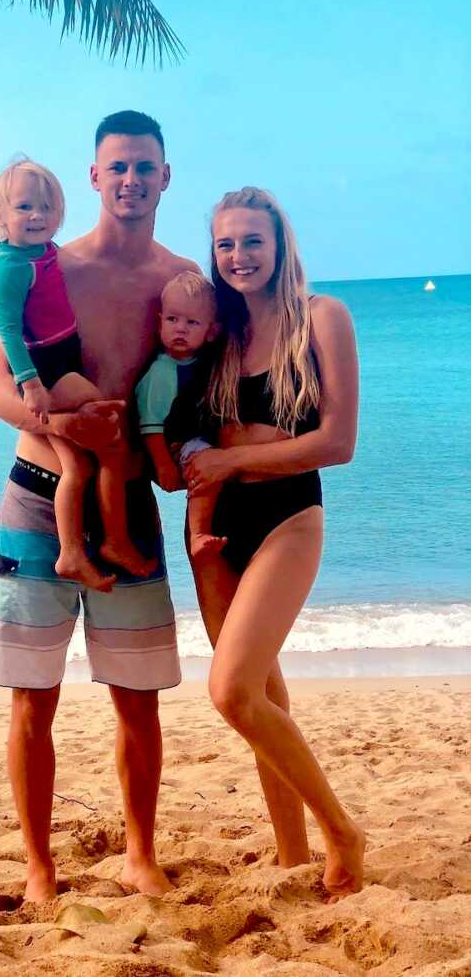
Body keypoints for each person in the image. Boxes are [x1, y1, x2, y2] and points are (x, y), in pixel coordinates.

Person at [0, 111, 198, 902]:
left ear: (165, 177)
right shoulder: (48, 267)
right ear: (95, 177)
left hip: (128, 500)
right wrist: (59, 419)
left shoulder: (179, 282)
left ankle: (141, 852)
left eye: (146, 166)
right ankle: (39, 866)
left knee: (138, 700)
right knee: (33, 697)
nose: (132, 179)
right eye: (118, 167)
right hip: (36, 496)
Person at [183, 186, 365, 897]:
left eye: (252, 241)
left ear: (280, 244)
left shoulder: (322, 318)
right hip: (216, 529)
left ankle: (342, 830)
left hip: (290, 518)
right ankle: (291, 853)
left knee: (230, 691)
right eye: (225, 243)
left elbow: (338, 442)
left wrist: (231, 460)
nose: (238, 256)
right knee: (260, 693)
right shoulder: (215, 332)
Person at [0, 157, 157, 592]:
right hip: (50, 370)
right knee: (99, 451)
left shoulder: (48, 253)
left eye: (48, 208)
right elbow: (8, 331)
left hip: (61, 362)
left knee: (82, 463)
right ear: (0, 215)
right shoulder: (10, 267)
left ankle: (84, 550)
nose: (38, 217)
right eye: (25, 208)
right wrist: (31, 387)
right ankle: (97, 546)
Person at [135, 270, 225, 559]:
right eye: (172, 319)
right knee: (205, 464)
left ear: (211, 331)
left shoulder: (206, 361)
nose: (181, 329)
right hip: (172, 444)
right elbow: (150, 425)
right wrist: (164, 466)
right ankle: (198, 532)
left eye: (192, 322)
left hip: (195, 436)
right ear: (159, 322)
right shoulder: (162, 372)